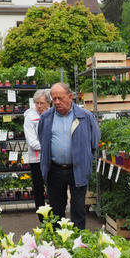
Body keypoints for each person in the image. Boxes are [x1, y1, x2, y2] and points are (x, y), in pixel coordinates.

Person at [38, 82, 100, 229]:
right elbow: (42, 140)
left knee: (78, 210)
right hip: (55, 170)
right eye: (54, 99)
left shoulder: (85, 117)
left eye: (60, 98)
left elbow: (95, 140)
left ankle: (78, 245)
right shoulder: (46, 117)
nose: (57, 102)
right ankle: (57, 246)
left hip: (77, 169)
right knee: (56, 210)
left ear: (70, 97)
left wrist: (83, 157)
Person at [23, 89, 51, 212]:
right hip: (37, 159)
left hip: (51, 158)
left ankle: (54, 214)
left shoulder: (53, 114)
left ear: (48, 103)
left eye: (42, 103)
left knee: (53, 187)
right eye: (37, 103)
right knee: (39, 188)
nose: (39, 106)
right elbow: (33, 142)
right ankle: (42, 216)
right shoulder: (30, 117)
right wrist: (51, 147)